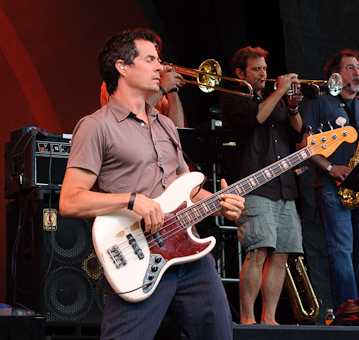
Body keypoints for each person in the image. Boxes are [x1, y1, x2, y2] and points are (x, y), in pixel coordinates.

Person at [59, 28, 245, 339]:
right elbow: (70, 200)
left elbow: (187, 188)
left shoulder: (167, 125)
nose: (160, 67)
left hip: (191, 257)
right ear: (122, 66)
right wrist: (131, 200)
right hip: (140, 255)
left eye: (159, 59)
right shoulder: (95, 126)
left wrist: (219, 203)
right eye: (150, 60)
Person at [221, 46, 305, 325]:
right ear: (240, 72)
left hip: (284, 187)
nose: (264, 73)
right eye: (257, 69)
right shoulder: (234, 97)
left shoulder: (277, 100)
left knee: (281, 255)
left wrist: (292, 106)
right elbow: (254, 119)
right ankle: (247, 319)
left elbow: (297, 132)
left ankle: (269, 319)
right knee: (258, 251)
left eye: (265, 69)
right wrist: (279, 92)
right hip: (253, 188)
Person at [302, 48, 359, 313]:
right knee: (341, 251)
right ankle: (349, 312)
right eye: (351, 67)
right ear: (336, 75)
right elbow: (305, 147)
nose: (358, 72)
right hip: (332, 185)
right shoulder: (319, 103)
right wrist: (330, 168)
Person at [100, 66, 187, 128]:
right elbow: (131, 119)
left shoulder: (154, 87)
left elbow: (177, 126)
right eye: (150, 59)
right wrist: (163, 88)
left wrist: (171, 89)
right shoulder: (117, 81)